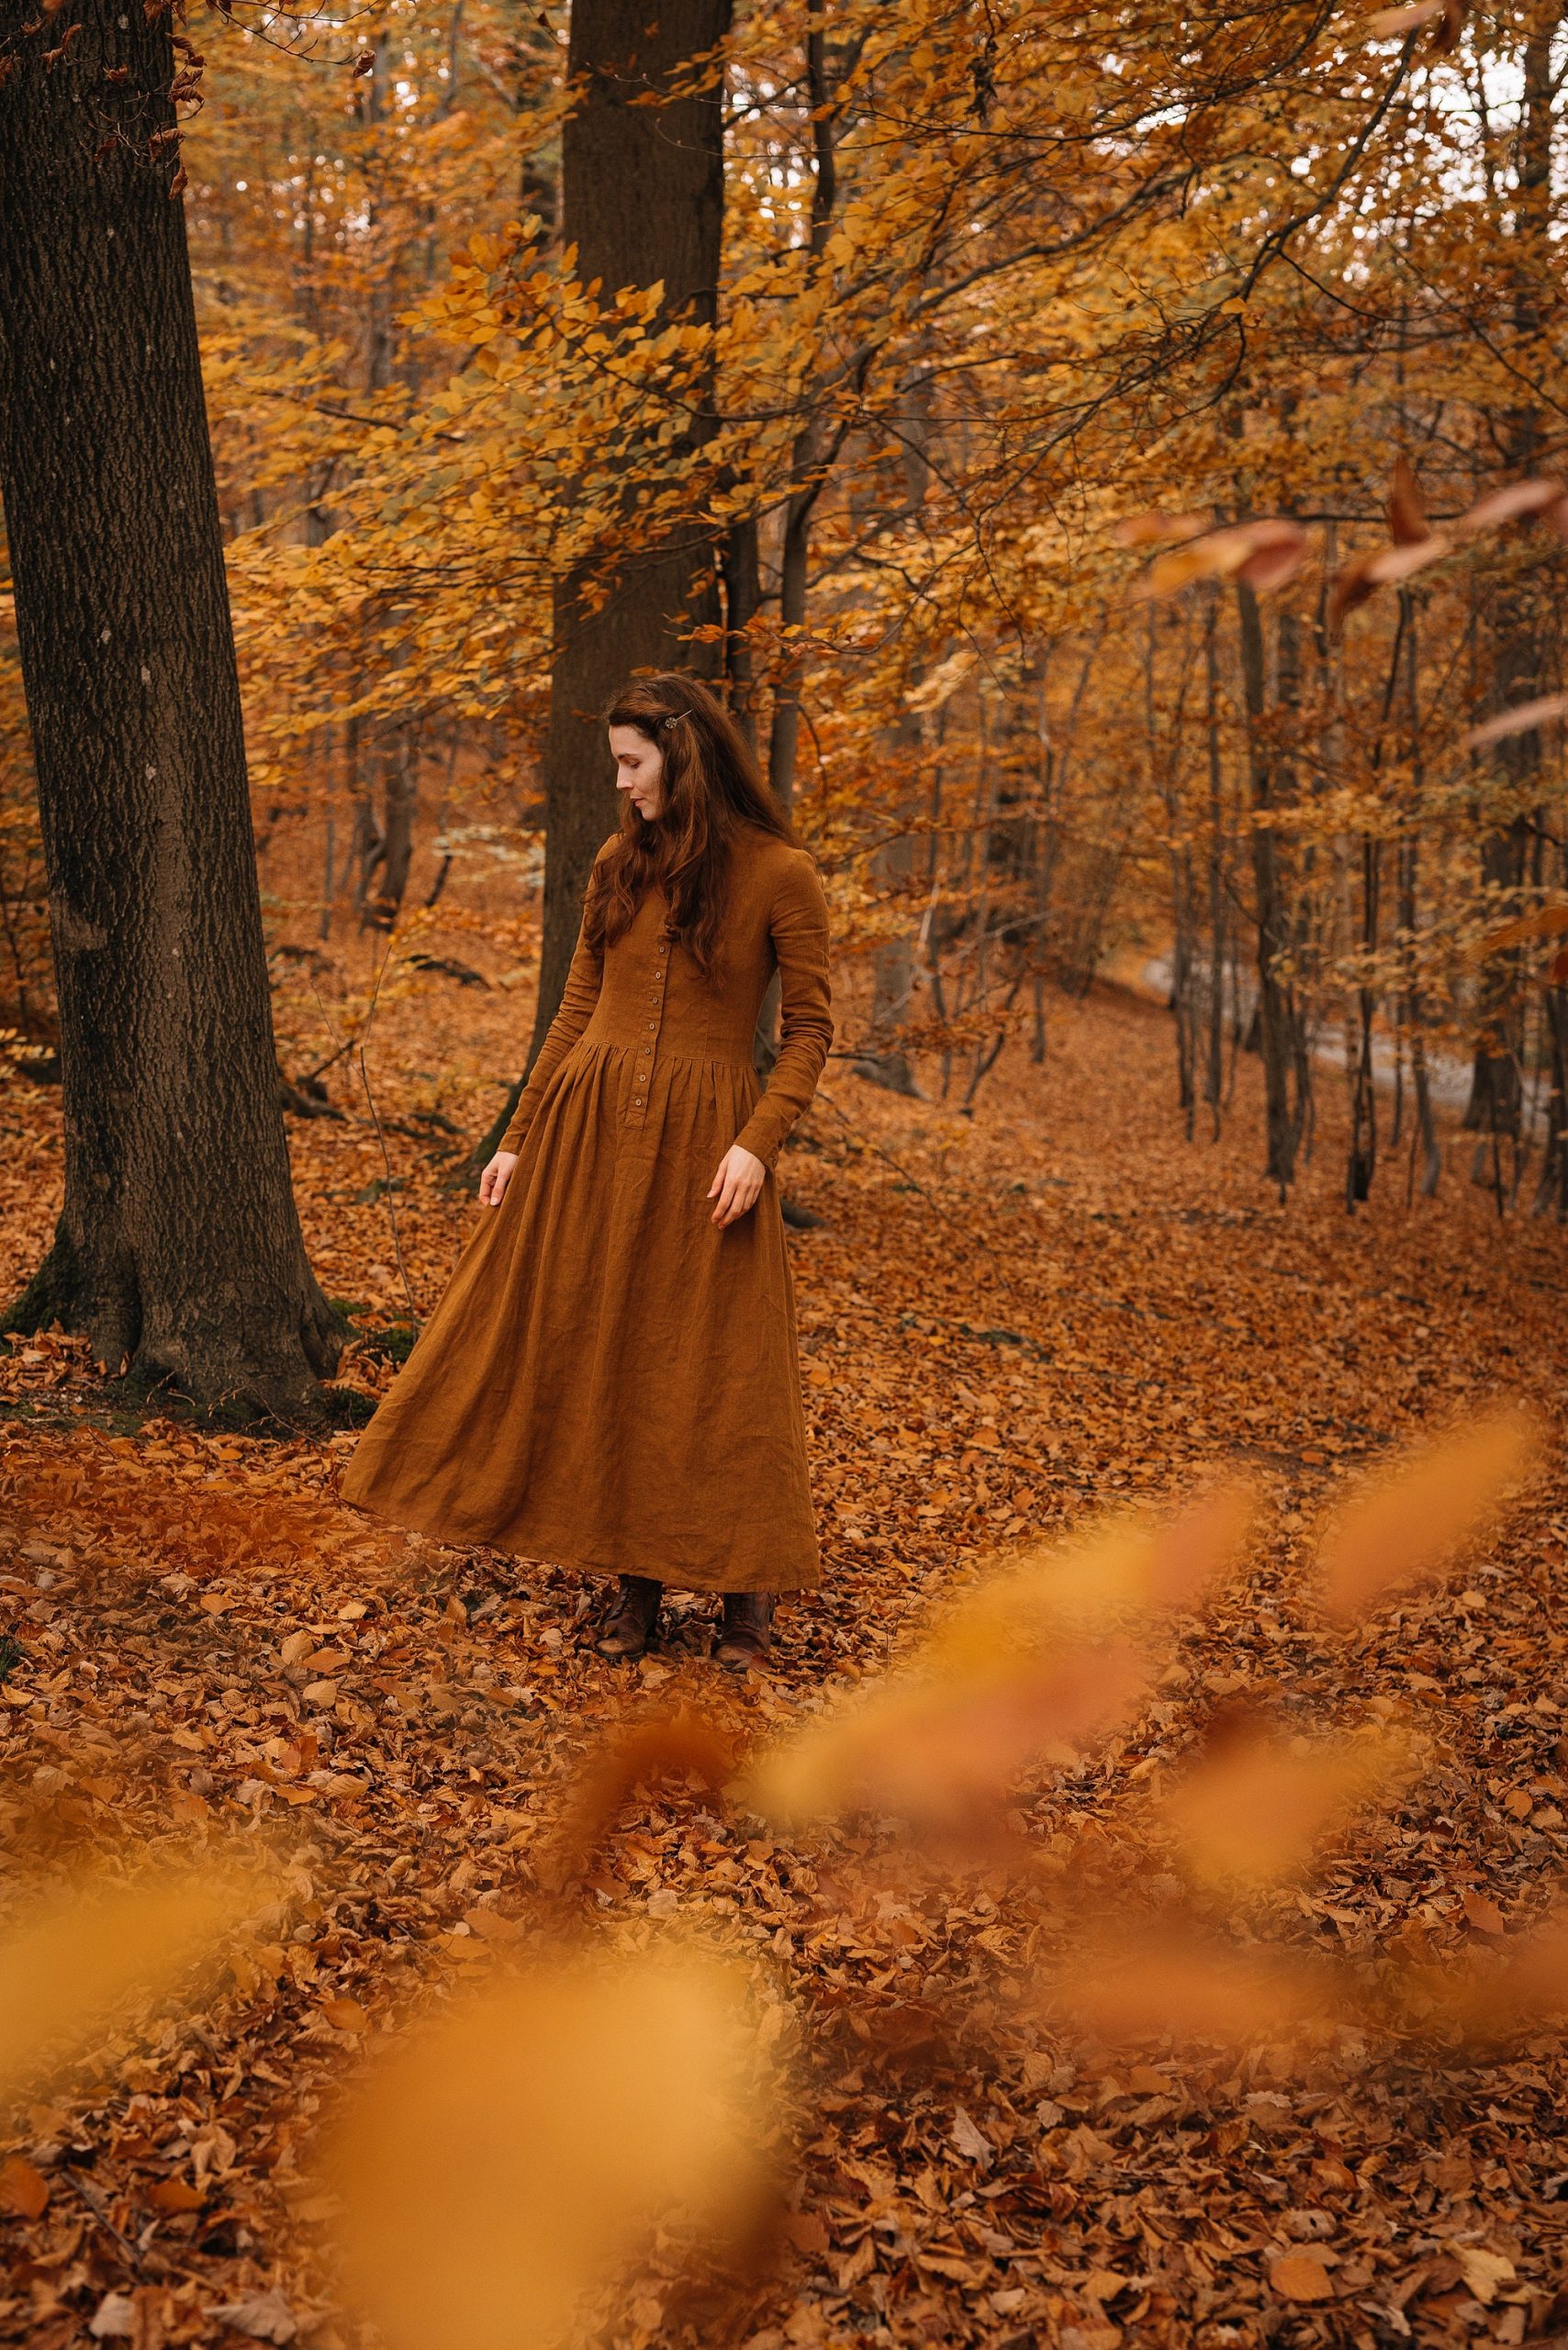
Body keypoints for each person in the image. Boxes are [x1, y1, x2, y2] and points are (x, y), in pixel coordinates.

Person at [338, 671, 834, 1672]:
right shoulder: (618, 859)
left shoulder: (782, 874)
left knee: (719, 1368)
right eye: (615, 765)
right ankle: (636, 1587)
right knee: (612, 1350)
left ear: (681, 756)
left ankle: (745, 1602)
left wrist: (756, 1140)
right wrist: (516, 1138)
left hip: (710, 1149)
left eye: (632, 763)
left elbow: (813, 1031)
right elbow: (572, 1011)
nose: (622, 784)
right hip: (593, 1136)